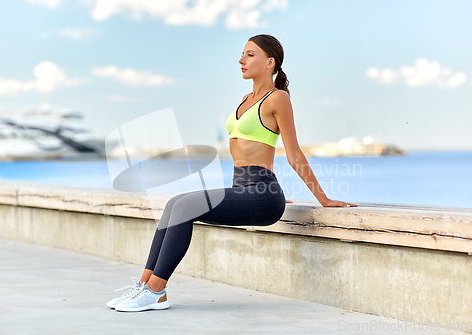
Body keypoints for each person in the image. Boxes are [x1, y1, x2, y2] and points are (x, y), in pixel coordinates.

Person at [107, 34, 358, 312]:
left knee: (187, 205)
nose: (241, 60)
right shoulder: (244, 100)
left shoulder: (278, 99)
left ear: (269, 62)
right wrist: (243, 197)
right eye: (242, 54)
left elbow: (294, 153)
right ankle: (145, 285)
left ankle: (156, 289)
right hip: (244, 190)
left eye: (250, 54)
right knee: (174, 203)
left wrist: (323, 199)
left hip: (263, 195)